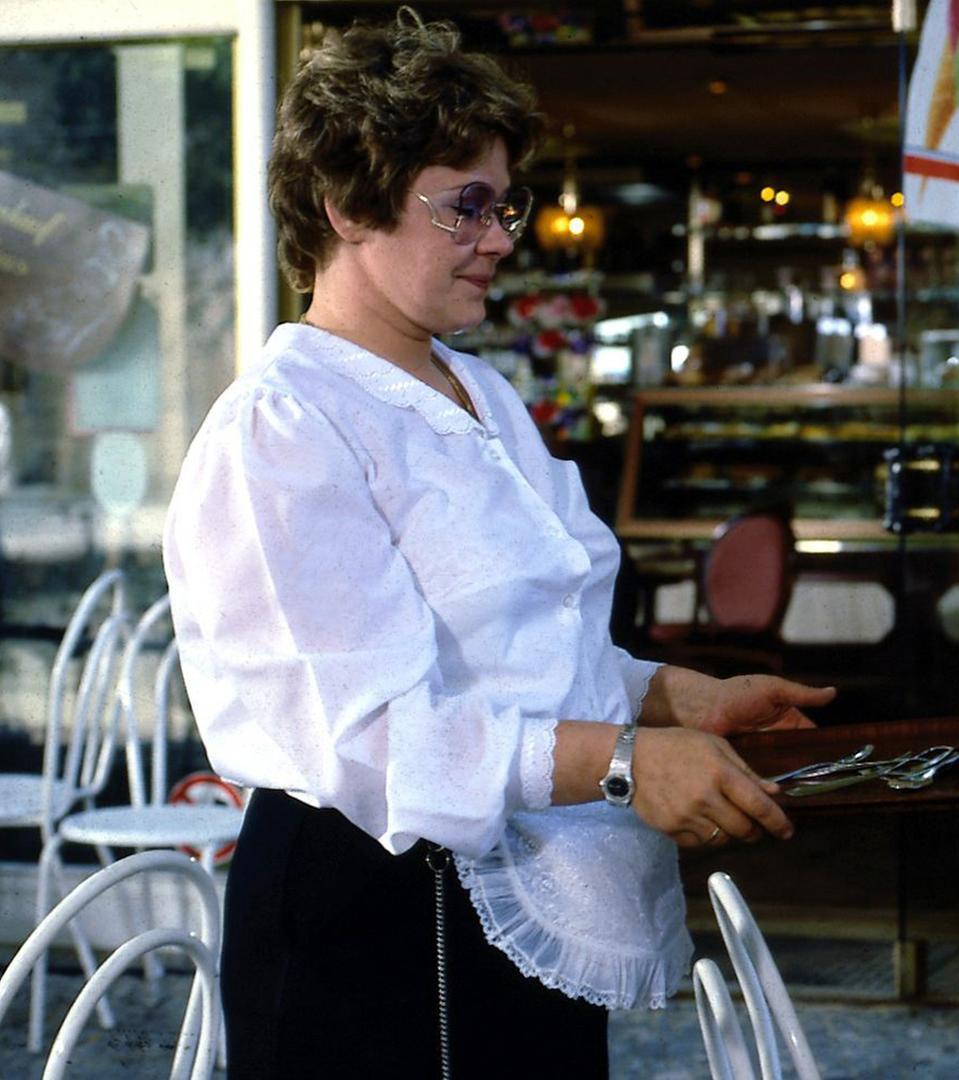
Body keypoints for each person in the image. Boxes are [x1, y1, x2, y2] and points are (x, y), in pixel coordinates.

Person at [161, 13, 833, 1077]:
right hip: (381, 912)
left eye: (503, 204)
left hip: (511, 878)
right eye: (463, 206)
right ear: (344, 207)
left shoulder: (477, 390)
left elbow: (523, 652)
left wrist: (674, 698)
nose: (501, 238)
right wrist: (620, 762)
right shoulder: (285, 426)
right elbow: (376, 734)